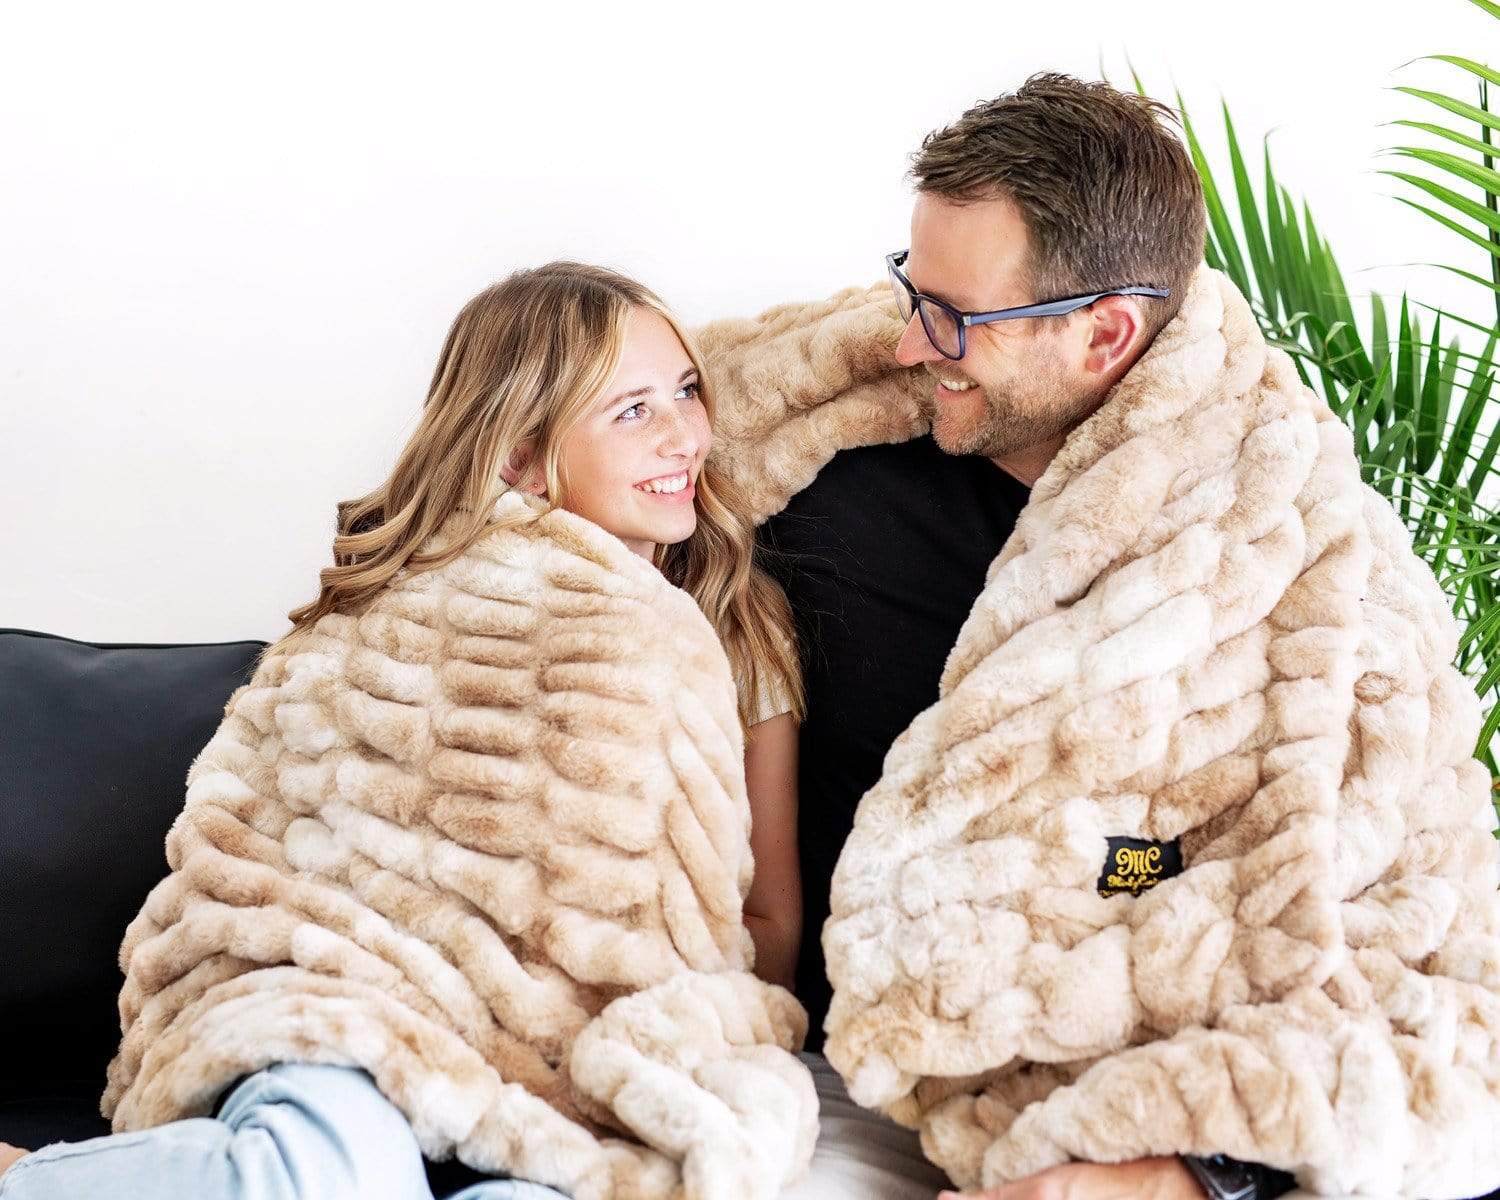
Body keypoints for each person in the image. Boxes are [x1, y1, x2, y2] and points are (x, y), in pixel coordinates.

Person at [751, 73, 1498, 1200]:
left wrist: (1183, 1173)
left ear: (1105, 332)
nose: (909, 344)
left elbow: (1412, 919)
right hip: (876, 1058)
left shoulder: (1303, 547)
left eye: (954, 315)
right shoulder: (819, 467)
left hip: (1158, 1089)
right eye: (913, 285)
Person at [0, 261, 809, 1200]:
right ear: (519, 454)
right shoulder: (402, 611)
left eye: (687, 392)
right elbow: (291, 841)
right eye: (632, 411)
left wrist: (564, 983)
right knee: (332, 1171)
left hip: (565, 1054)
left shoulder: (736, 627)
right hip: (344, 996)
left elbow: (767, 924)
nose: (686, 436)